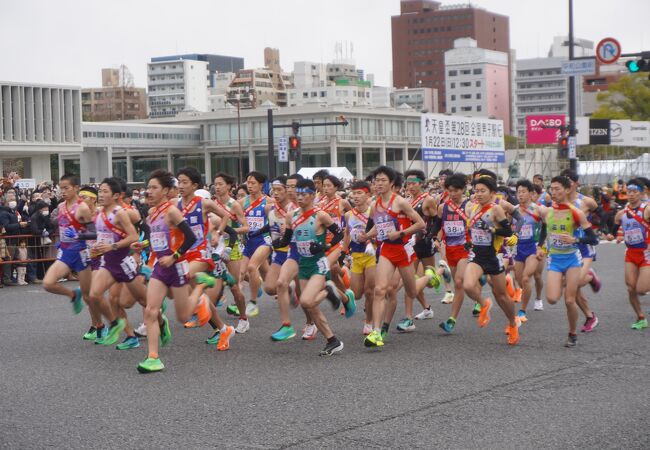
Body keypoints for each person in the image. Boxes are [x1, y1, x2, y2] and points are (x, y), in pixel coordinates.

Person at [359, 166, 440, 348]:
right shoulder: (375, 205)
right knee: (380, 290)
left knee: (411, 292)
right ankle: (376, 332)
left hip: (403, 250)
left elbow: (420, 224)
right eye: (376, 181)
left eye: (383, 181)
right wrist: (366, 236)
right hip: (387, 250)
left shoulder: (400, 202)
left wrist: (401, 233)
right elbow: (377, 227)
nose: (379, 184)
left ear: (392, 183)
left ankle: (430, 275)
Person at [273, 178, 346, 356]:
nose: (299, 198)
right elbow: (287, 239)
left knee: (306, 301)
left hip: (318, 263)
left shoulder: (320, 215)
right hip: (303, 264)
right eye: (298, 194)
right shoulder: (292, 216)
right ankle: (332, 340)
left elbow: (339, 234)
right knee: (311, 307)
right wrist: (277, 242)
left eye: (304, 194)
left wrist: (324, 247)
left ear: (313, 195)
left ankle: (329, 291)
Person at [135, 169, 199, 373]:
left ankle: (201, 288)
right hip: (160, 269)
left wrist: (174, 256)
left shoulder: (172, 211)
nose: (149, 192)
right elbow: (156, 240)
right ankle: (153, 357)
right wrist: (142, 244)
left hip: (177, 267)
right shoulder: (152, 214)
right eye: (148, 188)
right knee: (150, 311)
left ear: (166, 191)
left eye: (154, 188)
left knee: (183, 316)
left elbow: (190, 238)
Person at [462, 175, 520, 345]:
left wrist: (493, 229)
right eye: (476, 191)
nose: (478, 194)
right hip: (477, 256)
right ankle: (484, 303)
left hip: (493, 257)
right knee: (467, 285)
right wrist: (469, 242)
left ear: (492, 193)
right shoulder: (472, 208)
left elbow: (508, 232)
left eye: (483, 191)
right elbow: (472, 230)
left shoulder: (496, 209)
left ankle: (512, 323)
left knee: (501, 296)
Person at [542, 175, 598, 347]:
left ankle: (572, 333)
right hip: (555, 260)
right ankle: (586, 277)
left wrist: (575, 240)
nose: (554, 192)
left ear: (567, 190)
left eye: (557, 188)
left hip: (572, 259)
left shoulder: (576, 212)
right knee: (551, 298)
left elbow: (593, 239)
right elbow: (545, 231)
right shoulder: (547, 211)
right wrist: (540, 246)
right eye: (552, 189)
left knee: (569, 300)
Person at [606, 180, 650, 329]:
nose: (631, 195)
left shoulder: (647, 210)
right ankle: (641, 317)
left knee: (641, 290)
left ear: (641, 193)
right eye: (628, 192)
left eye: (634, 191)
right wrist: (612, 235)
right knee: (631, 288)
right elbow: (615, 227)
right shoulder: (621, 213)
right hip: (631, 253)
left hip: (646, 253)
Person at [437, 173, 471, 333]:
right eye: (450, 190)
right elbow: (439, 226)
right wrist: (436, 240)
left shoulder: (470, 206)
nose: (453, 194)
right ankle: (453, 319)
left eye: (456, 190)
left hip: (465, 248)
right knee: (459, 284)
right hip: (450, 248)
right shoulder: (442, 207)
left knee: (458, 281)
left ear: (463, 189)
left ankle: (452, 318)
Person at [343, 181, 376, 335]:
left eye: (359, 193)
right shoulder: (348, 214)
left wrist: (371, 240)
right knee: (356, 294)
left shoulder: (373, 212)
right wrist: (344, 251)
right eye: (353, 193)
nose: (355, 196)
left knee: (370, 291)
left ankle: (369, 321)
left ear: (368, 195)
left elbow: (380, 230)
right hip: (356, 256)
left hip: (372, 255)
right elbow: (347, 233)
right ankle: (349, 300)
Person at [239, 171, 273, 319]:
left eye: (253, 183)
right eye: (248, 182)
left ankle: (252, 302)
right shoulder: (242, 202)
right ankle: (286, 290)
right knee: (244, 274)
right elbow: (233, 218)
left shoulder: (269, 202)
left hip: (264, 240)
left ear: (261, 185)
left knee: (252, 267)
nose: (250, 185)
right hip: (249, 242)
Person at [512, 179, 546, 323]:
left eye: (523, 192)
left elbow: (545, 227)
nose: (520, 195)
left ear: (531, 193)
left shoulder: (538, 209)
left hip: (534, 247)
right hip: (519, 248)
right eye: (518, 192)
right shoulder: (513, 210)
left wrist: (541, 245)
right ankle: (529, 298)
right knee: (520, 281)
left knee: (532, 277)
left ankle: (526, 307)